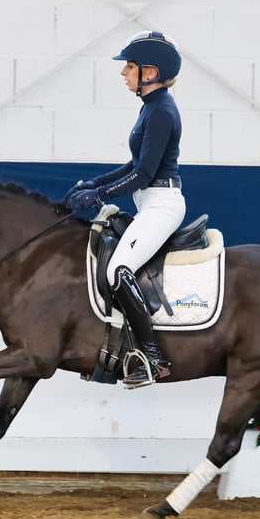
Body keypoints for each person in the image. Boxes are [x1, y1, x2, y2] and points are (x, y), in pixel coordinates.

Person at [67, 30, 186, 386]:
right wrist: (94, 184)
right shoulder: (150, 107)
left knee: (118, 271)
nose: (124, 73)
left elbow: (145, 173)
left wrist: (102, 196)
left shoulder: (162, 111)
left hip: (161, 203)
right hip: (149, 200)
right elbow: (134, 165)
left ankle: (152, 358)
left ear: (150, 72)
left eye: (130, 67)